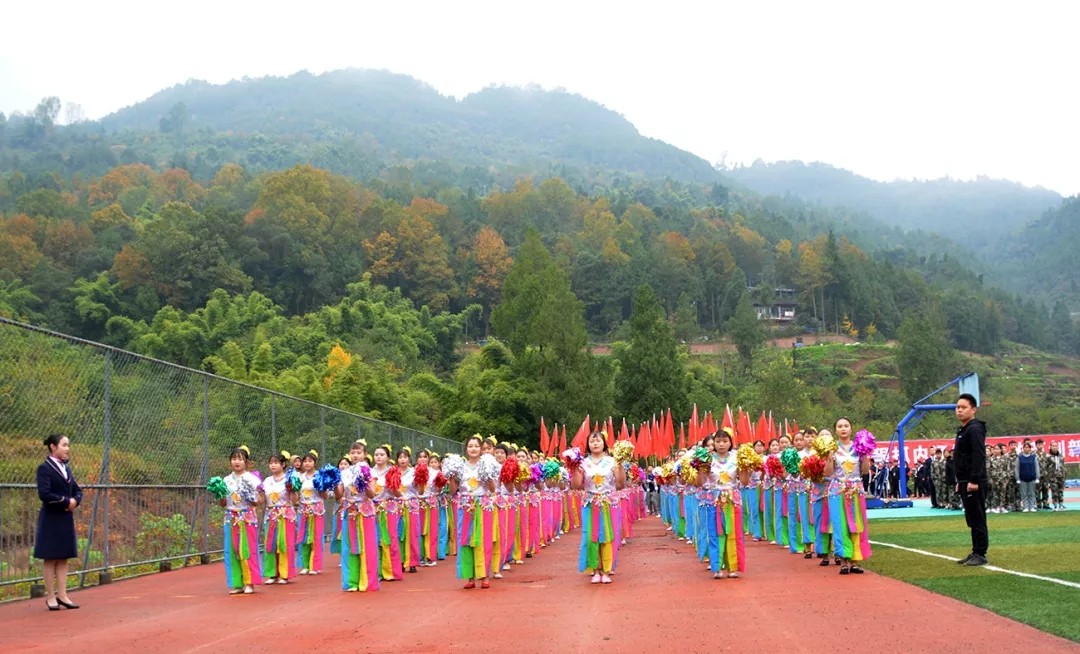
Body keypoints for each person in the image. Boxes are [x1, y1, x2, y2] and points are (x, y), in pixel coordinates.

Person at [35, 434, 83, 610]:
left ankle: (63, 595)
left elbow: (77, 490)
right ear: (53, 447)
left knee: (63, 558)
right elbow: (44, 494)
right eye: (64, 445)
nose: (67, 448)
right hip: (51, 519)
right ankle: (50, 597)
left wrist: (75, 501)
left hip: (65, 518)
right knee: (51, 558)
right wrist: (66, 501)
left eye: (68, 445)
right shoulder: (44, 469)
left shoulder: (66, 469)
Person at [572, 430, 625, 584]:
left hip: (608, 503)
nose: (595, 443)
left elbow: (620, 484)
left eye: (598, 441)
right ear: (588, 445)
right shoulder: (582, 463)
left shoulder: (612, 461)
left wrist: (620, 465)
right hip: (590, 503)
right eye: (592, 441)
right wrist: (574, 469)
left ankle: (607, 571)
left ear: (604, 444)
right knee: (591, 537)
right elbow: (576, 485)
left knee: (608, 537)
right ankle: (596, 570)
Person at [824, 417, 872, 575]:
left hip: (855, 491)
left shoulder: (859, 447)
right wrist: (829, 457)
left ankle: (855, 560)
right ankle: (844, 560)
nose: (843, 429)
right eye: (839, 426)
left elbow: (865, 471)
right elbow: (828, 473)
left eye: (846, 426)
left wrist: (865, 456)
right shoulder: (831, 448)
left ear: (851, 429)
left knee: (857, 525)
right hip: (837, 491)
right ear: (835, 430)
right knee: (840, 525)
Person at [221, 445, 263, 594]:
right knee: (231, 550)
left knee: (247, 549)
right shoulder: (226, 480)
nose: (236, 462)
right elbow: (223, 503)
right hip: (231, 517)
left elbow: (259, 500)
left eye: (240, 459)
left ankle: (249, 582)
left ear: (246, 461)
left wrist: (252, 497)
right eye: (234, 459)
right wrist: (219, 494)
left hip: (246, 517)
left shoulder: (252, 479)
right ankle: (236, 583)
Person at [953, 393, 989, 566]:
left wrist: (974, 480)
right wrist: (960, 482)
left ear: (973, 410)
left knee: (977, 516)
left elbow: (978, 455)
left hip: (974, 480)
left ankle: (980, 553)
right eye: (958, 407)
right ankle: (975, 550)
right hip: (965, 480)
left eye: (963, 407)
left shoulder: (974, 429)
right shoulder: (964, 429)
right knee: (971, 517)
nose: (959, 410)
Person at [260, 451, 298, 584]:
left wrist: (293, 489)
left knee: (284, 544)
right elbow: (261, 499)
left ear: (283, 464)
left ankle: (285, 573)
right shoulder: (266, 481)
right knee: (270, 543)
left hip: (285, 514)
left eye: (276, 463)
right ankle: (272, 573)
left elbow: (295, 500)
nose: (273, 465)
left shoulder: (289, 479)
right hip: (270, 515)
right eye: (271, 463)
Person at [1015, 440, 1039, 513]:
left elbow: (1037, 467)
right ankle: (1025, 507)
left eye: (1028, 447)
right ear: (1023, 448)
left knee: (1031, 493)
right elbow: (1017, 468)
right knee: (1024, 494)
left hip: (1032, 478)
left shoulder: (1033, 457)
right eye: (1025, 447)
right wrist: (1017, 478)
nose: (1027, 449)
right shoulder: (1019, 458)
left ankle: (1031, 507)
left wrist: (1037, 477)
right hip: (1022, 478)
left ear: (1030, 449)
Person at [1047, 442, 1066, 511]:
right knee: (1054, 491)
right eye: (1053, 446)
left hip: (1060, 476)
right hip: (1053, 476)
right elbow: (1046, 467)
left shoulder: (1061, 456)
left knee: (1060, 491)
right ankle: (1055, 505)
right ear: (1050, 447)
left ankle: (1061, 504)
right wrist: (1048, 476)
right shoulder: (1048, 456)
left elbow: (1063, 466)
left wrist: (1064, 475)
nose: (1055, 447)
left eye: (1056, 446)